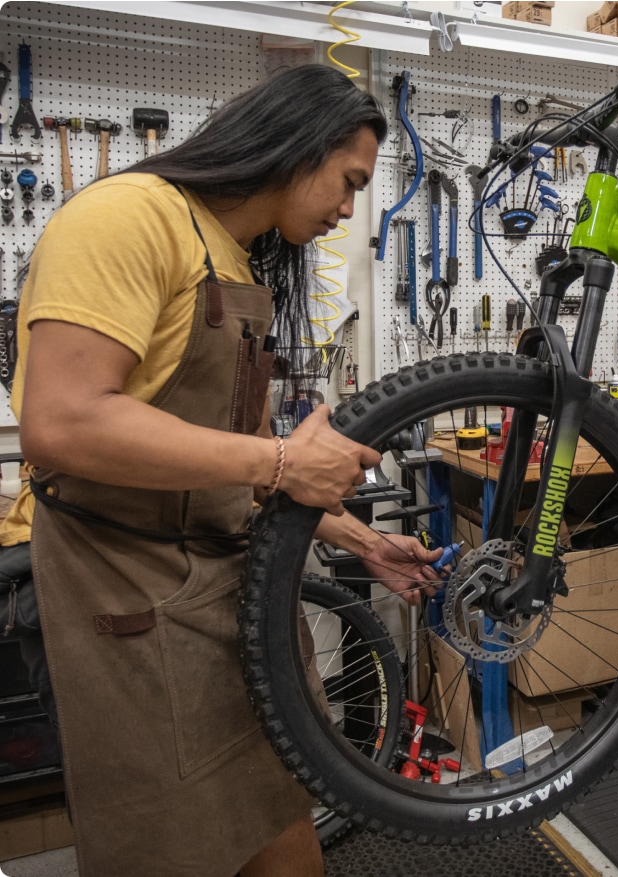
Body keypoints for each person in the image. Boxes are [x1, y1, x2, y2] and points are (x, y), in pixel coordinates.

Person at [12, 64, 442, 877]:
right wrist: (282, 456)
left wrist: (361, 538)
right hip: (126, 598)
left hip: (226, 596)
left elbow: (246, 469)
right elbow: (61, 420)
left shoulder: (238, 263)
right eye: (348, 182)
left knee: (281, 817)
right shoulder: (128, 218)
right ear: (297, 146)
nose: (350, 209)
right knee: (171, 847)